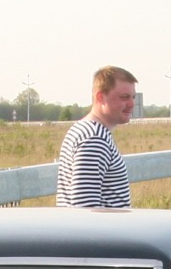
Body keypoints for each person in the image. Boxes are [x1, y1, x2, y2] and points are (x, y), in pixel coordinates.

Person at [56, 66, 136, 207]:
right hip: (99, 223)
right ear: (100, 97)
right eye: (124, 97)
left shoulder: (84, 130)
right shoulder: (94, 139)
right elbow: (85, 209)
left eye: (133, 97)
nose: (131, 104)